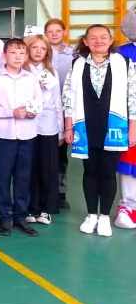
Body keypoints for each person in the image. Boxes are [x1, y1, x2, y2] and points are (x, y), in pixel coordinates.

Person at [63, 24, 136, 237]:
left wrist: (133, 128)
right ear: (86, 41)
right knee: (90, 171)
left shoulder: (124, 63)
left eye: (103, 37)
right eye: (93, 38)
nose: (98, 41)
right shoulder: (77, 64)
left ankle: (104, 216)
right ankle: (91, 215)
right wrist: (68, 126)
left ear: (111, 40)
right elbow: (68, 97)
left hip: (114, 125)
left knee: (107, 172)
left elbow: (133, 97)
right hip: (85, 125)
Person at [0, 38, 43, 237]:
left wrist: (34, 111)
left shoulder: (31, 78)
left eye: (21, 53)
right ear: (4, 55)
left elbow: (39, 102)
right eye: (13, 53)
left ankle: (20, 217)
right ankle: (4, 217)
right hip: (3, 135)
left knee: (23, 177)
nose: (18, 57)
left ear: (26, 56)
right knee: (3, 177)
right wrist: (11, 112)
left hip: (27, 134)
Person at [24, 35, 63, 226]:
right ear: (28, 49)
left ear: (47, 52)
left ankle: (46, 209)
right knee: (29, 168)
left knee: (47, 168)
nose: (38, 51)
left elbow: (57, 101)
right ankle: (30, 207)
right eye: (35, 47)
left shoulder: (52, 71)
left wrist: (61, 129)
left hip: (48, 126)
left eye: (43, 48)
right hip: (27, 125)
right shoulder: (22, 70)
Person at [44, 17, 74, 209]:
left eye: (57, 31)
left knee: (61, 155)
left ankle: (60, 192)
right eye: (50, 31)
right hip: (45, 110)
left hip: (65, 109)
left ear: (64, 32)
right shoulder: (41, 52)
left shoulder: (73, 54)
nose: (54, 34)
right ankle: (43, 192)